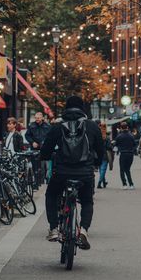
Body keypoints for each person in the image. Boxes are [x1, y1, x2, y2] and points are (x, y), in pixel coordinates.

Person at [40, 96, 104, 247]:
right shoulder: (92, 126)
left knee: (51, 194)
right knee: (87, 201)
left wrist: (46, 156)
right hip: (85, 173)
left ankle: (54, 228)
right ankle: (83, 231)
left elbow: (46, 151)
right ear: (82, 109)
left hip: (62, 172)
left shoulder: (58, 126)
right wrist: (96, 163)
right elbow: (100, 150)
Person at [25, 111, 51, 184]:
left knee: (44, 166)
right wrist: (32, 142)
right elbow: (27, 135)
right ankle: (37, 181)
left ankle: (43, 181)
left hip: (44, 149)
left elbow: (50, 136)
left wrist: (46, 143)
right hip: (34, 149)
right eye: (36, 118)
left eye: (38, 118)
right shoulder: (31, 125)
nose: (37, 119)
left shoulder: (48, 126)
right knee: (35, 165)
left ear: (42, 118)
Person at [114, 122, 136, 189]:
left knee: (122, 170)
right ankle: (131, 184)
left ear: (121, 128)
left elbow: (116, 144)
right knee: (127, 169)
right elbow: (134, 145)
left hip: (123, 154)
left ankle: (124, 184)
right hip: (130, 154)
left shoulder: (119, 136)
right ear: (127, 127)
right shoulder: (131, 136)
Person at [97, 123, 112, 189]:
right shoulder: (107, 137)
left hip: (98, 154)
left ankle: (103, 182)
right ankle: (99, 183)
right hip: (105, 154)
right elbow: (109, 147)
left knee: (101, 169)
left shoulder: (97, 136)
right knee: (103, 169)